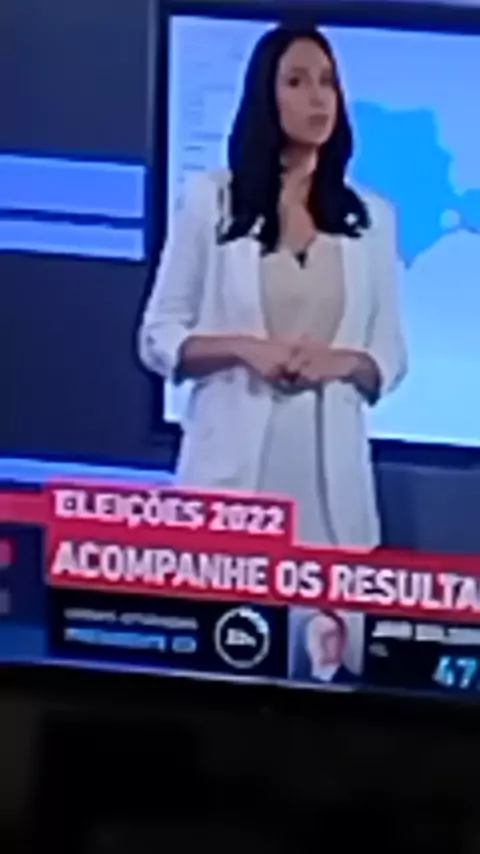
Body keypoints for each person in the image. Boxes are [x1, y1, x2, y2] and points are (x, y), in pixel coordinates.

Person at [139, 25, 408, 549]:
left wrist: (340, 363)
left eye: (327, 82)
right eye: (297, 82)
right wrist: (245, 350)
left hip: (332, 502)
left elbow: (391, 353)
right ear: (266, 96)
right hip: (230, 490)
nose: (318, 98)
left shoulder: (371, 218)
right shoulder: (212, 201)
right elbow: (158, 335)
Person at [290, 609, 358, 684]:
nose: (320, 642)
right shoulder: (295, 679)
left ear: (343, 642)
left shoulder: (356, 684)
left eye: (328, 636)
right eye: (314, 635)